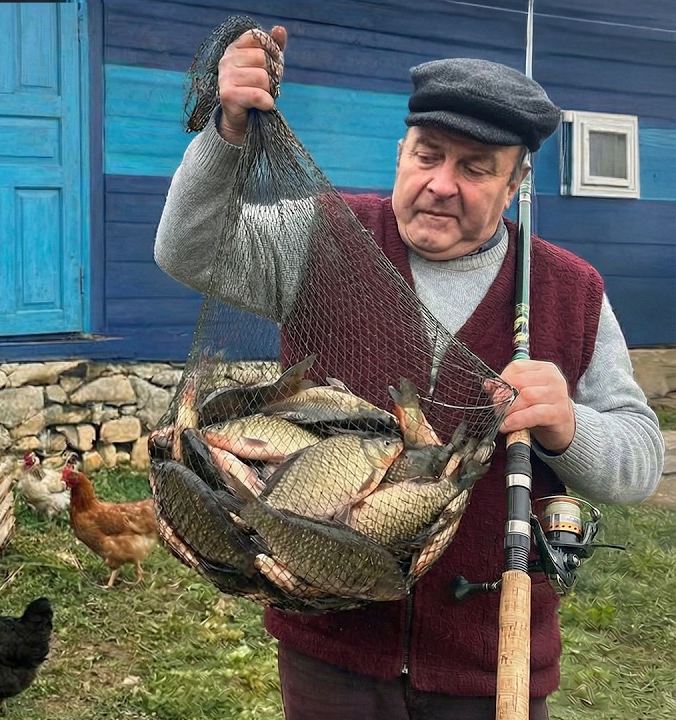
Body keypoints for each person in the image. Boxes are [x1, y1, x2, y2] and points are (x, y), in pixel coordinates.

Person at [154, 27, 665, 720]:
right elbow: (188, 249)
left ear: (516, 184)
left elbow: (638, 464)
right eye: (428, 155)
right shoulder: (322, 235)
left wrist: (570, 427)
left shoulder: (571, 292)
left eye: (477, 168)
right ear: (401, 151)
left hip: (489, 668)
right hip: (330, 653)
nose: (441, 184)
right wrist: (228, 130)